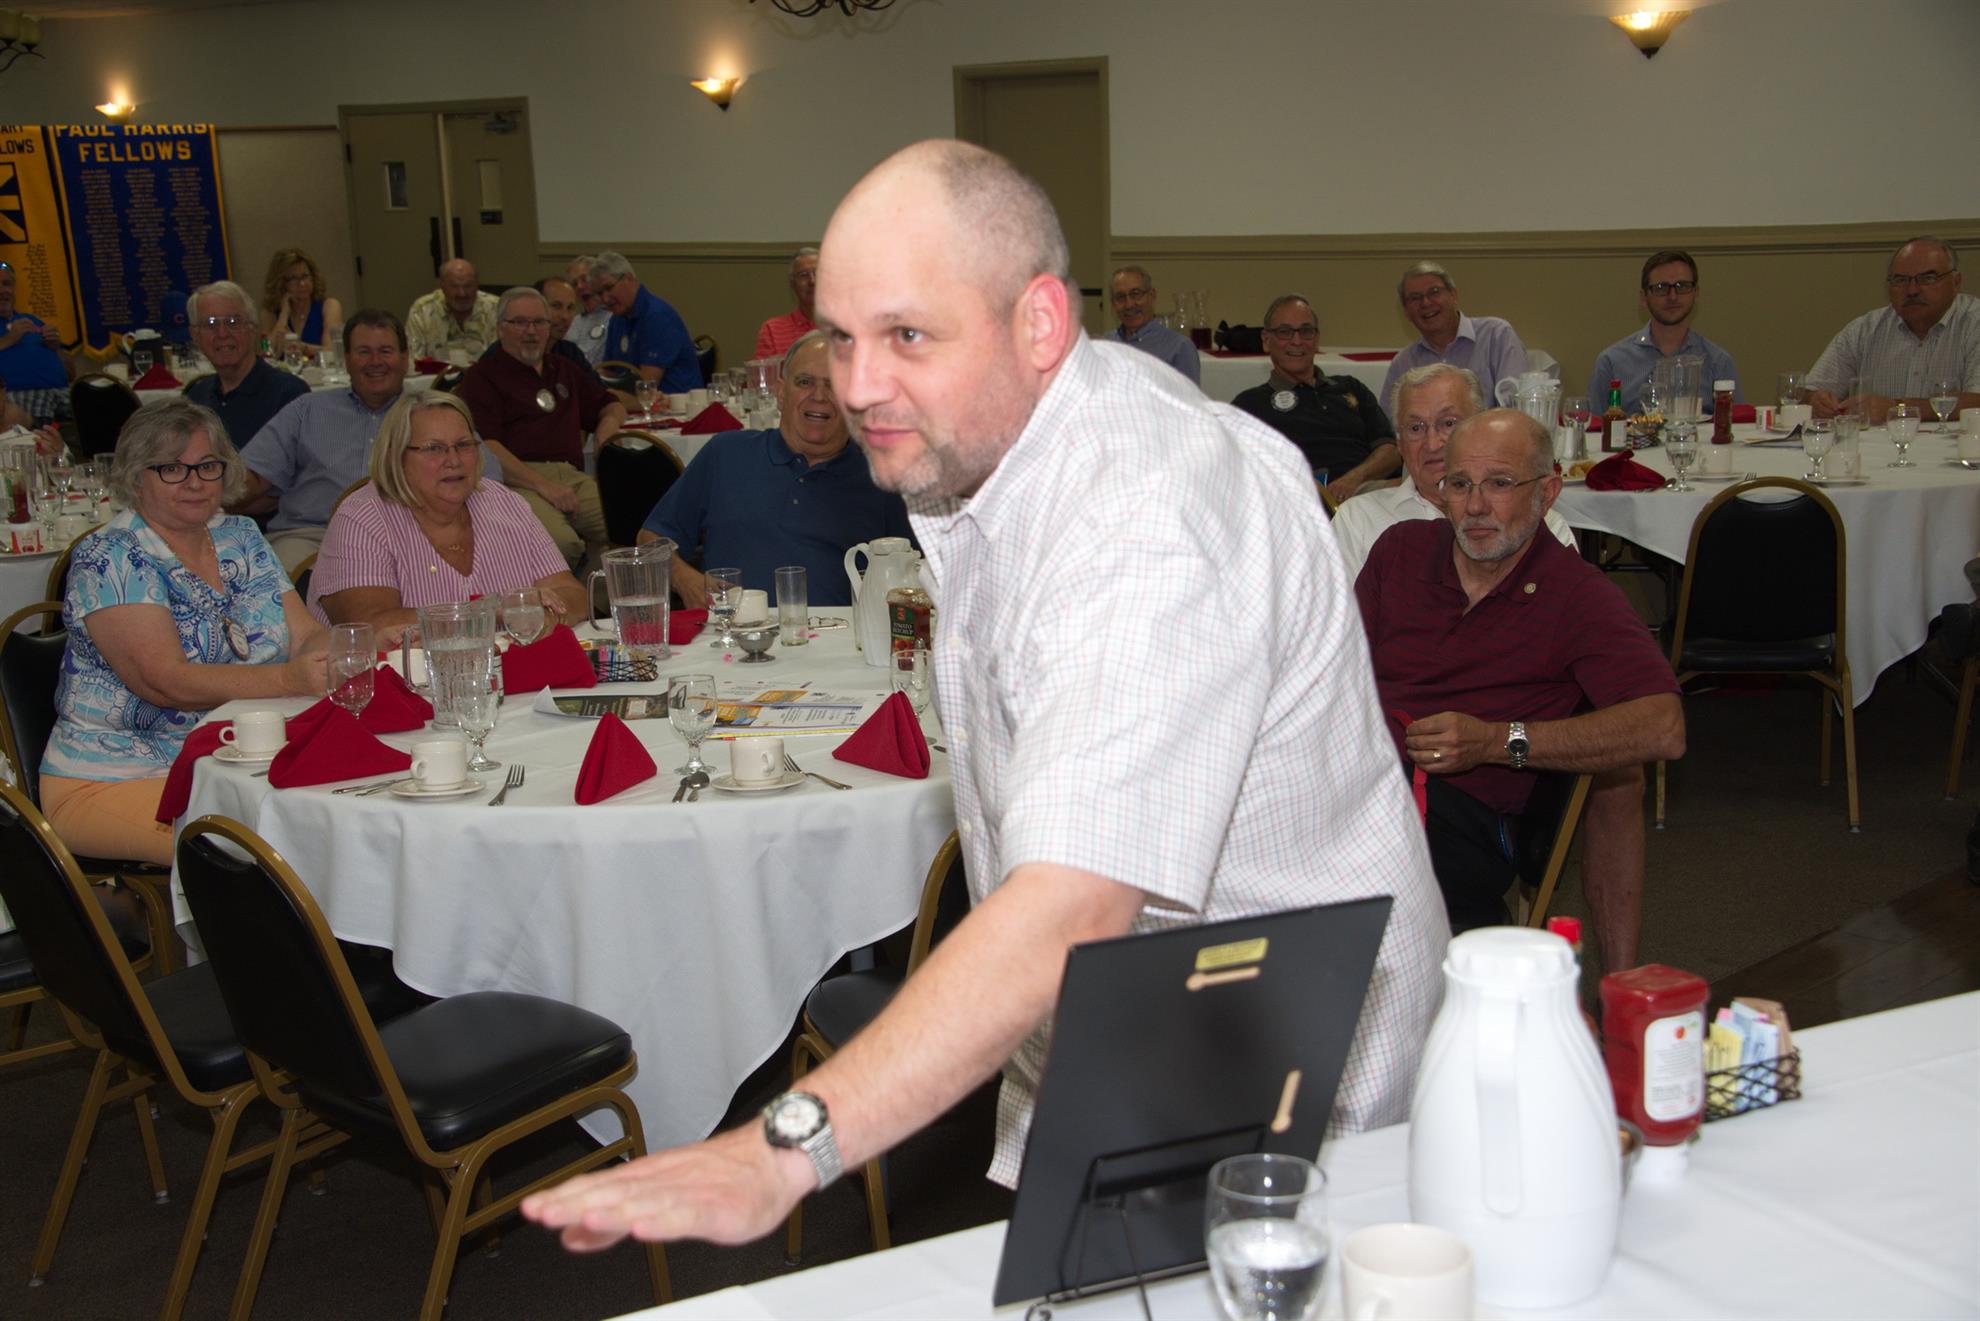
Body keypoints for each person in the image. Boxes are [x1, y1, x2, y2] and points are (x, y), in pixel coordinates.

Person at [523, 139, 1446, 1253]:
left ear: (1040, 323)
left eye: (908, 336)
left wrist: (782, 1149)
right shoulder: (1010, 434)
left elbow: (1071, 906)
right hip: (1159, 1017)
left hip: (1287, 1062)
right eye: (841, 336)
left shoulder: (1148, 512)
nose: (859, 386)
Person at [1355, 408, 1684, 952]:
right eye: (1460, 484)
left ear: (1547, 492)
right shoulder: (1401, 551)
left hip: (1460, 817)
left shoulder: (1575, 595)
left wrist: (1495, 741)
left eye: (1500, 484)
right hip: (1362, 787)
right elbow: (1339, 673)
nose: (1475, 506)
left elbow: (1663, 727)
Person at [38, 398, 328, 865]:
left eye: (207, 466)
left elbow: (305, 635)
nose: (195, 482)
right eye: (171, 468)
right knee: (285, 846)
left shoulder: (241, 536)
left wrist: (350, 648)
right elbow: (165, 682)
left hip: (241, 762)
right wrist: (289, 678)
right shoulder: (112, 556)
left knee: (330, 816)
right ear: (136, 477)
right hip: (118, 777)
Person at [637, 330, 909, 606]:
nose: (819, 396)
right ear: (780, 393)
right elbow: (651, 537)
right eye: (804, 382)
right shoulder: (726, 453)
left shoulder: (882, 476)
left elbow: (920, 570)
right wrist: (687, 581)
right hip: (731, 628)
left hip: (840, 631)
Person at [238, 310, 496, 571]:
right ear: (346, 359)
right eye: (364, 352)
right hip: (313, 536)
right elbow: (247, 477)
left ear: (405, 357)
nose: (375, 362)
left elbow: (488, 477)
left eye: (385, 351)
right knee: (273, 583)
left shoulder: (434, 415)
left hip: (411, 536)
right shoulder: (306, 410)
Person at [307, 391, 586, 632]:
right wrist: (489, 613)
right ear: (396, 457)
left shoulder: (504, 503)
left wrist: (545, 617)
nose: (453, 460)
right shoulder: (362, 518)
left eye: (463, 445)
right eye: (434, 449)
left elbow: (573, 594)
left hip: (506, 671)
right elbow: (372, 626)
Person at [1331, 363, 1574, 578]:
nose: (1432, 444)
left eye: (1448, 423)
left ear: (1483, 428)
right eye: (1415, 428)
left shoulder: (1536, 522)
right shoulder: (1358, 520)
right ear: (1400, 444)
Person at [456, 286, 625, 573]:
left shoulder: (563, 369)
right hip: (517, 482)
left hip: (572, 477)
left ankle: (610, 596)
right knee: (561, 545)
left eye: (539, 322)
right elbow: (487, 448)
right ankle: (571, 596)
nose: (531, 331)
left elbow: (611, 404)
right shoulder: (483, 377)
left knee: (635, 526)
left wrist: (607, 426)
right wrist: (543, 486)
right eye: (520, 323)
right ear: (500, 329)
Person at [1232, 293, 1398, 500]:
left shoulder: (1351, 387)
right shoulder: (1250, 405)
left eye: (1306, 331)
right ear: (1266, 340)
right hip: (1303, 500)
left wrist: (1353, 480)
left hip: (1370, 490)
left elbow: (1390, 451)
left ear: (1317, 339)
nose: (1297, 341)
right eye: (1285, 332)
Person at [1807, 236, 1978, 426]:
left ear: (1956, 282)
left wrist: (1897, 408)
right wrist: (1816, 401)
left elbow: (1977, 402)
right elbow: (1807, 392)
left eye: (1928, 278)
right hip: (1876, 445)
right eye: (1900, 280)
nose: (1912, 290)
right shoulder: (1864, 330)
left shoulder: (1974, 323)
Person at [1586, 250, 1742, 417]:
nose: (1672, 296)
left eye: (1682, 286)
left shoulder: (1718, 363)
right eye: (1661, 288)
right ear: (1643, 298)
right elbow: (1595, 429)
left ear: (1696, 293)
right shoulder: (1611, 363)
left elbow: (1737, 427)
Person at [1379, 261, 1530, 409]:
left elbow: (1516, 406)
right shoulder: (1403, 364)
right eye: (1415, 298)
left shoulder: (1496, 335)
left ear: (1453, 295)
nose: (1426, 303)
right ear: (1406, 311)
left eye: (1434, 292)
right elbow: (1389, 420)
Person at [182, 280, 309, 452]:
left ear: (252, 329)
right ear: (195, 335)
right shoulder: (195, 398)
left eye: (233, 322)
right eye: (210, 324)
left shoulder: (288, 394)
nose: (222, 333)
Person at [590, 251, 703, 391]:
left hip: (675, 402)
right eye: (599, 293)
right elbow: (609, 371)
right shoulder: (617, 319)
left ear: (628, 278)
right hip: (636, 400)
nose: (605, 299)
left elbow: (646, 386)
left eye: (609, 288)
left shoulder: (657, 317)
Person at [0, 260, 75, 425]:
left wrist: (56, 348)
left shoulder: (32, 321)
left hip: (62, 394)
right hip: (19, 397)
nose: (2, 290)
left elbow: (71, 374)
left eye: (7, 284)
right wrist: (8, 339)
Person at [1106, 264, 1200, 385]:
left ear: (1152, 295)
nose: (1129, 304)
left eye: (1136, 294)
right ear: (1113, 304)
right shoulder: (1104, 344)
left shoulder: (1179, 347)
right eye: (1120, 297)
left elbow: (1187, 396)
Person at [404, 258, 499, 364]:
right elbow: (413, 360)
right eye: (454, 286)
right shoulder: (422, 310)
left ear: (477, 284)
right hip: (437, 374)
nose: (462, 293)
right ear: (442, 286)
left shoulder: (496, 308)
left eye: (468, 286)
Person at [258, 247, 344, 356]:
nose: (302, 284)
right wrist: (282, 319)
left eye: (305, 276)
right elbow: (265, 352)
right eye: (294, 279)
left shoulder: (330, 306)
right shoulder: (269, 311)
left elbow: (333, 352)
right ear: (281, 283)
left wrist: (302, 347)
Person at [754, 247, 820, 360]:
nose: (812, 281)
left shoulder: (846, 327)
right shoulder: (772, 330)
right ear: (792, 284)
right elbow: (763, 371)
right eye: (804, 275)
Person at [565, 256, 611, 366]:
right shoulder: (572, 323)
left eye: (584, 279)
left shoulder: (618, 318)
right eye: (574, 284)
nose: (580, 286)